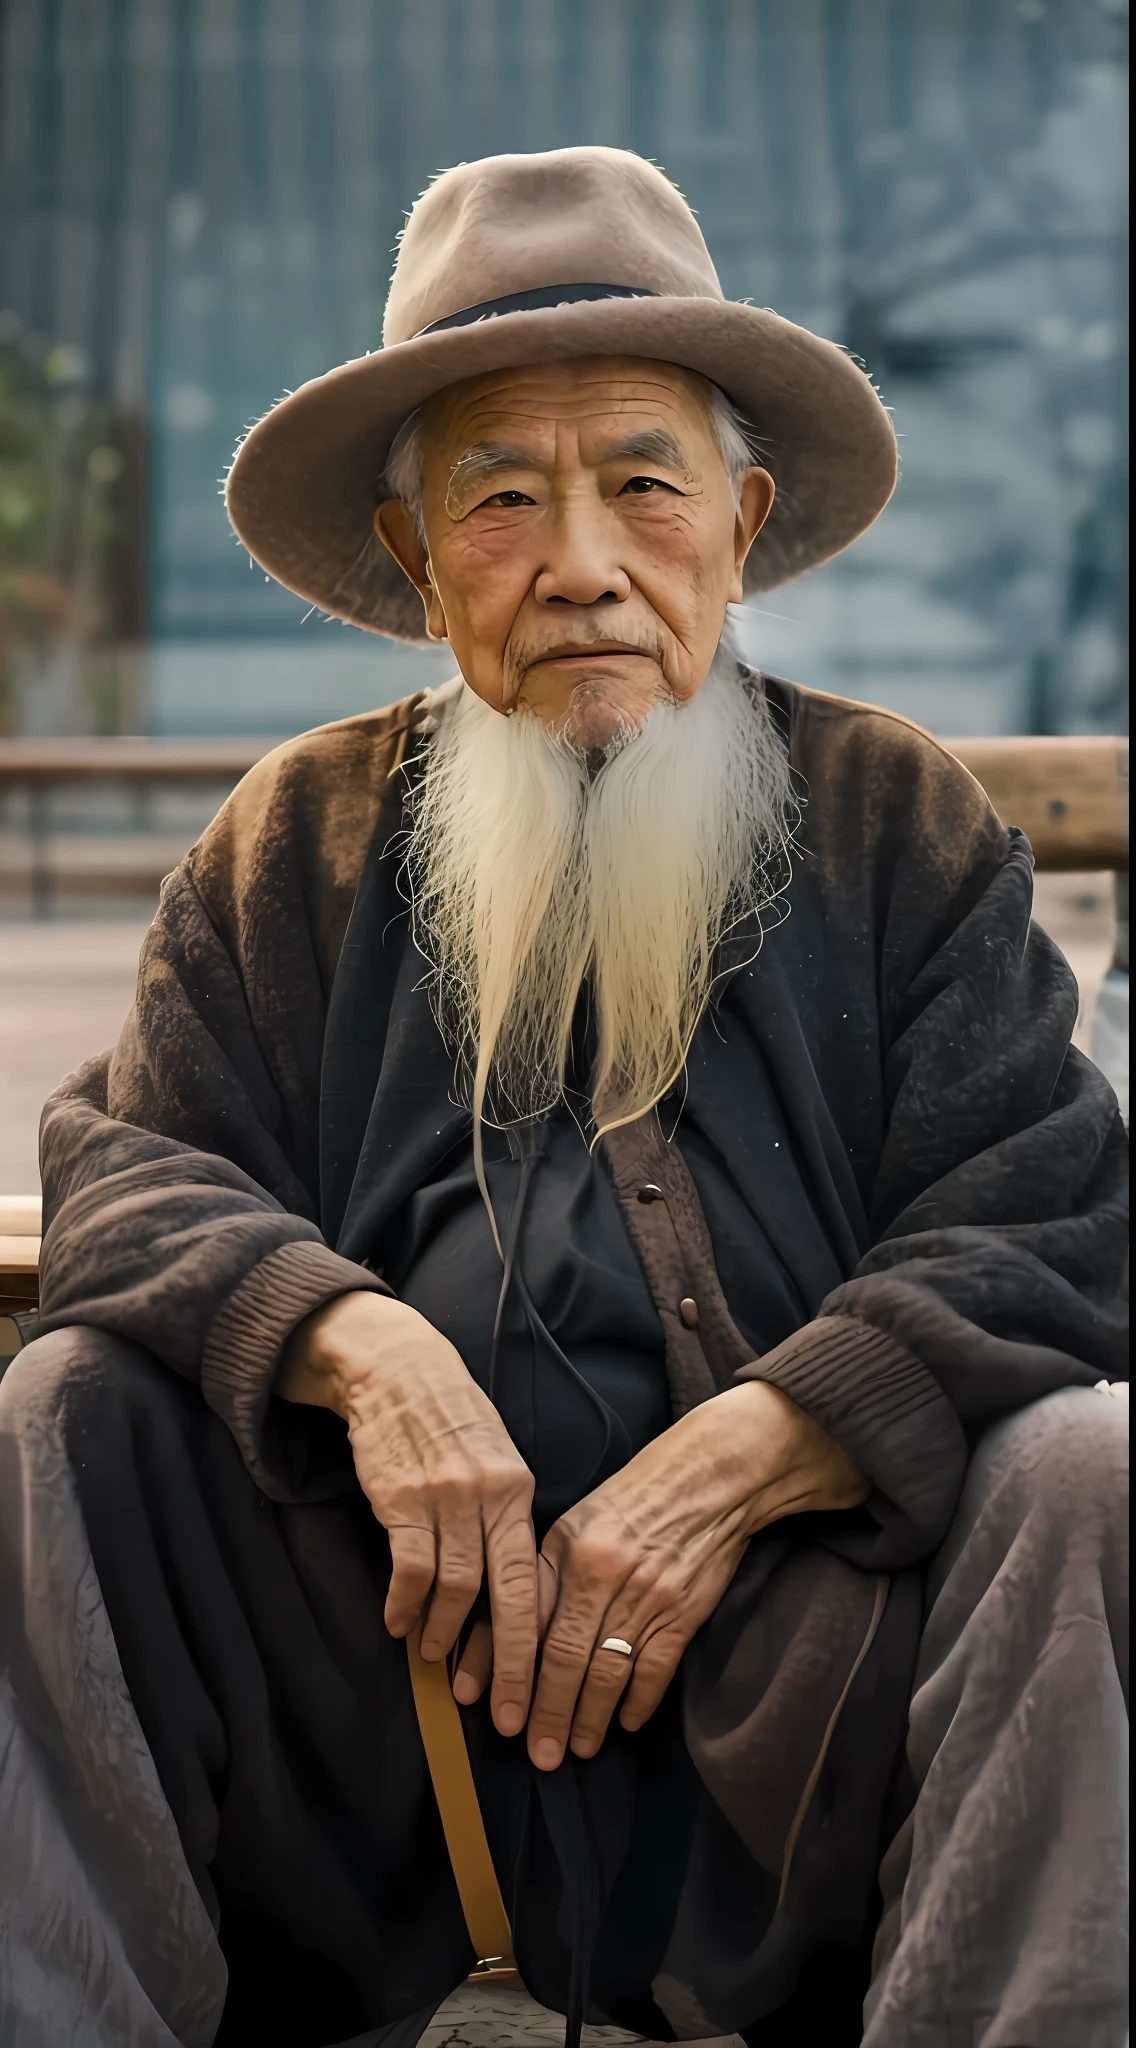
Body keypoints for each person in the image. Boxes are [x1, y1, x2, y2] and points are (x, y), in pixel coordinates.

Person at [0, 147, 1127, 2048]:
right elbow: (125, 1171)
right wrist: (354, 1345)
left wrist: (765, 1441)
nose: (585, 561)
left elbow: (1056, 1216)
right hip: (380, 1702)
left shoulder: (895, 825)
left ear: (742, 523)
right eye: (505, 500)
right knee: (61, 1412)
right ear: (424, 559)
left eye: (644, 486)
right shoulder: (298, 844)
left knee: (1092, 1469)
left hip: (812, 1708)